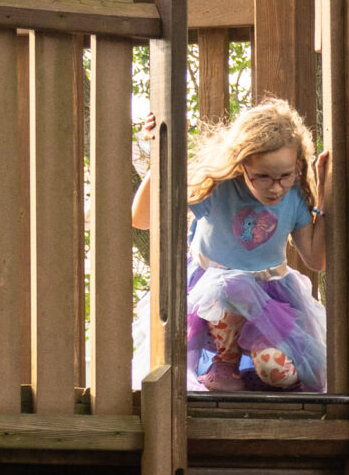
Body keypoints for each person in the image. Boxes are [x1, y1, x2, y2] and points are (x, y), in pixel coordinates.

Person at [130, 101, 331, 394]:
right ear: (241, 165)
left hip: (269, 304)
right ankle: (223, 366)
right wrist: (161, 156)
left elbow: (315, 260)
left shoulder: (294, 196)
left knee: (277, 370)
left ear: (298, 166)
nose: (275, 187)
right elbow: (142, 218)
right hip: (210, 302)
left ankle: (258, 379)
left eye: (285, 176)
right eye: (262, 176)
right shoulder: (217, 188)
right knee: (230, 286)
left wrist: (324, 200)